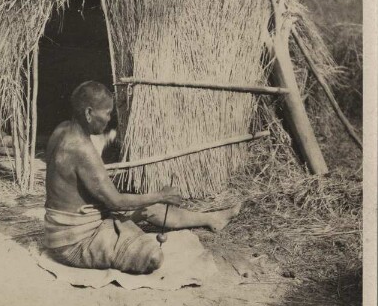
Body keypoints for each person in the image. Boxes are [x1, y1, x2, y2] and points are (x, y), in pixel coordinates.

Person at [44, 81, 241, 274]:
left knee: (150, 208)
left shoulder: (62, 129)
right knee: (152, 256)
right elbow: (115, 201)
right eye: (107, 113)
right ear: (88, 113)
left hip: (72, 225)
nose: (109, 118)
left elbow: (70, 178)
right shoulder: (81, 149)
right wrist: (160, 195)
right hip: (73, 242)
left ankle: (211, 218)